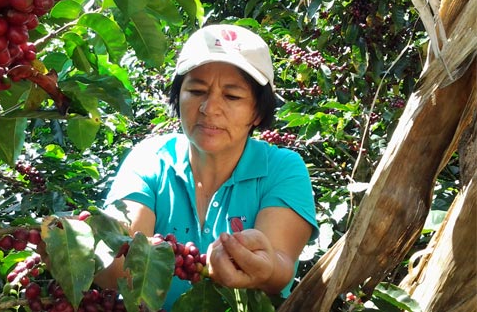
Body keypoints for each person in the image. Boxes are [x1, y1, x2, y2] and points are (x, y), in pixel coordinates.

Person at [96, 24, 319, 311]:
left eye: (232, 96)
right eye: (197, 90)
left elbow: (279, 265)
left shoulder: (281, 169)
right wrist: (80, 252)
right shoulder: (149, 159)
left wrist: (264, 268)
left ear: (258, 111)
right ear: (179, 97)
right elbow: (117, 264)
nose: (209, 108)